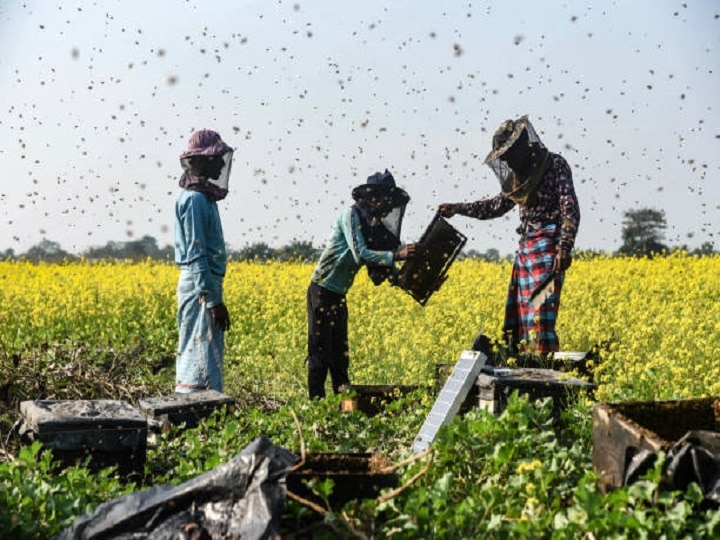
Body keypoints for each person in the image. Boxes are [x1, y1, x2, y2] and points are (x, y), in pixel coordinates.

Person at [439, 115, 580, 355]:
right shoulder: (518, 180)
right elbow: (495, 207)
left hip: (547, 251)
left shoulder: (555, 165)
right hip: (525, 252)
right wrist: (458, 208)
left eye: (508, 154)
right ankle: (523, 371)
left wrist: (564, 247)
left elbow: (569, 208)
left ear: (523, 145)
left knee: (539, 320)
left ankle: (543, 374)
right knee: (520, 322)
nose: (506, 160)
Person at [306, 170, 416, 399]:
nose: (388, 208)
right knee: (320, 353)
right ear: (373, 197)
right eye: (387, 201)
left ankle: (343, 407)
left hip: (338, 295)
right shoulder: (351, 215)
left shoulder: (372, 226)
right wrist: (397, 255)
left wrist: (413, 278)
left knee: (340, 355)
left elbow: (382, 272)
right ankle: (315, 407)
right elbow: (361, 254)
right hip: (322, 290)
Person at [174, 129, 233, 393]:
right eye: (215, 158)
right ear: (201, 161)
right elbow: (197, 254)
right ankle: (193, 409)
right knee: (198, 351)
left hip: (204, 282)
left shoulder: (203, 198)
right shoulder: (195, 200)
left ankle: (202, 412)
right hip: (201, 284)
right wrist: (212, 300)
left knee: (204, 350)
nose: (221, 163)